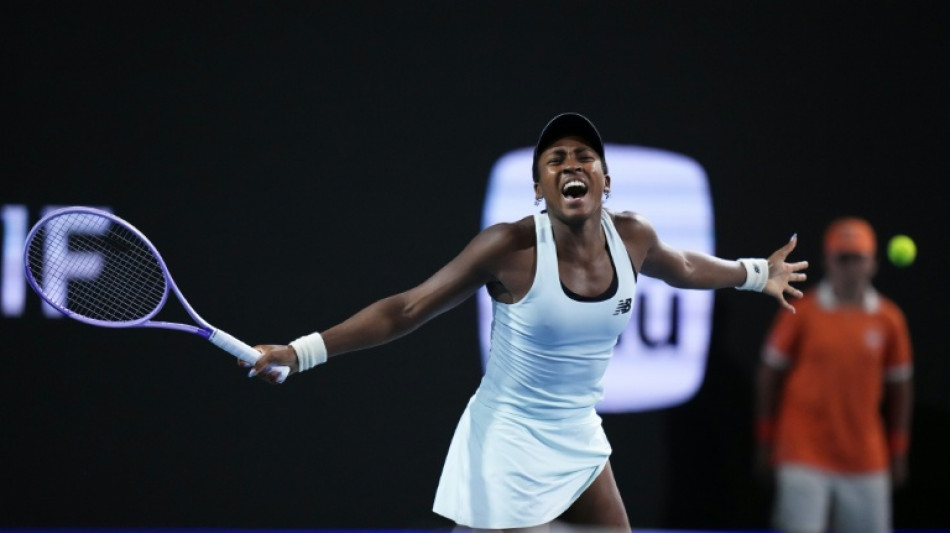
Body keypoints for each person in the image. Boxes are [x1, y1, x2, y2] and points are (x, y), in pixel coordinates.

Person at [251, 113, 808, 531]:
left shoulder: (633, 236)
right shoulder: (508, 247)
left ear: (605, 181)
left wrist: (757, 273)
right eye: (556, 158)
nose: (571, 164)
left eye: (584, 156)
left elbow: (684, 266)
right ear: (539, 188)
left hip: (578, 435)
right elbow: (407, 308)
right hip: (507, 438)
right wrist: (303, 351)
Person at [755, 217, 914, 533]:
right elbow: (769, 375)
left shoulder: (890, 319)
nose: (850, 267)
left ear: (872, 263)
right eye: (843, 258)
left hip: (866, 458)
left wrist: (898, 449)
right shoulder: (801, 310)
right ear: (829, 260)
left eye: (858, 258)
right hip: (802, 453)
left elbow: (902, 388)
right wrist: (765, 437)